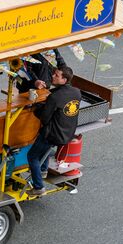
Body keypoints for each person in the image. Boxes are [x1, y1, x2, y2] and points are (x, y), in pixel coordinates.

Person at [26, 66, 82, 196]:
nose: (53, 76)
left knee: (32, 156)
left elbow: (44, 118)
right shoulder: (77, 92)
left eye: (56, 75)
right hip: (68, 133)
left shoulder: (55, 97)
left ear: (64, 80)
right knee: (44, 149)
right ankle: (43, 170)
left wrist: (36, 106)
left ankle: (39, 187)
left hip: (53, 135)